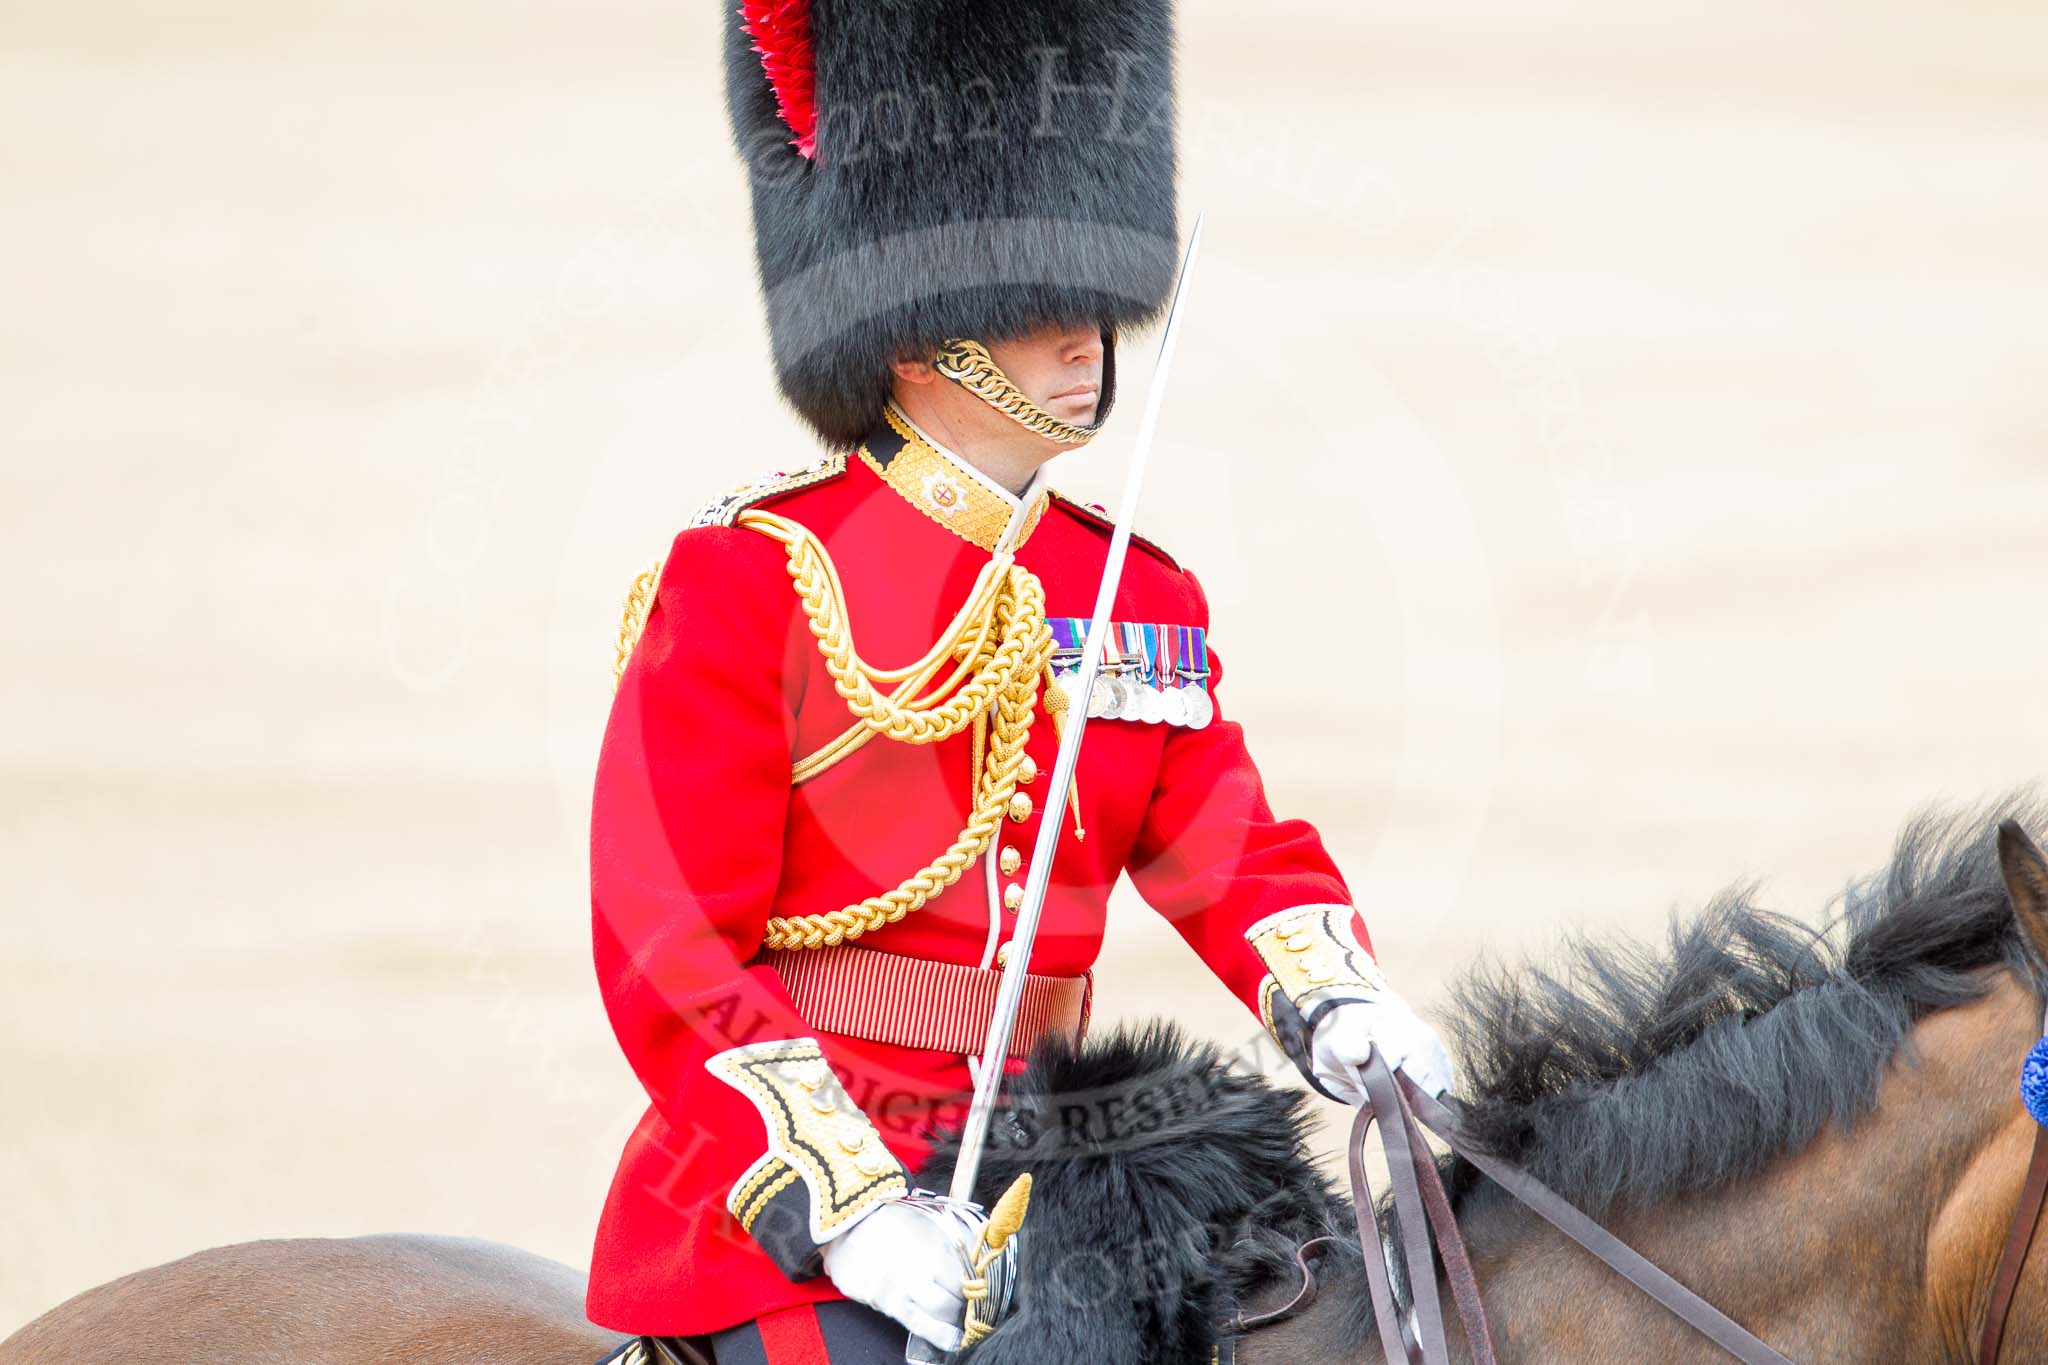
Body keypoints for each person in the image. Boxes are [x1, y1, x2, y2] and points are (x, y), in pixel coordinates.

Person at [585, 2, 1454, 1361]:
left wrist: (1333, 994)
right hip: (797, 1189)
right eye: (1036, 305)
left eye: (1095, 301)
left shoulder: (1135, 593)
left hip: (1063, 1159)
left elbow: (1228, 845)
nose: (1086, 340)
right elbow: (669, 942)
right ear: (919, 327)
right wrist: (851, 1204)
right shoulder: (751, 580)